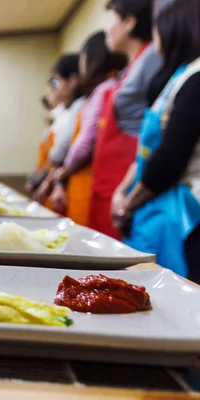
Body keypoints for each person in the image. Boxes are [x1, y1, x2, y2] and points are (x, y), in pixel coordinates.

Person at [112, 0, 200, 279]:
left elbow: (169, 159)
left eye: (157, 30)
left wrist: (129, 202)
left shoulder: (195, 79)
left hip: (185, 213)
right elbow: (146, 151)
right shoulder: (177, 78)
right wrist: (122, 191)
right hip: (154, 207)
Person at [89, 0, 162, 239]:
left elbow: (153, 129)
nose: (108, 29)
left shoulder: (151, 58)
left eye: (112, 19)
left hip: (126, 176)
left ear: (130, 22)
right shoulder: (129, 68)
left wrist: (127, 192)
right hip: (110, 180)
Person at [49, 32, 127, 225]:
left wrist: (62, 172)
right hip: (87, 182)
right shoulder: (108, 88)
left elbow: (85, 142)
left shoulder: (102, 91)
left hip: (87, 182)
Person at [33, 55, 86, 209]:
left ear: (73, 80)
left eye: (57, 82)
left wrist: (50, 180)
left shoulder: (76, 109)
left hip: (67, 180)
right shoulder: (65, 113)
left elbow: (60, 152)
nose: (53, 94)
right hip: (57, 179)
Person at [25, 91, 63, 195]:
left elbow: (53, 160)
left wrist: (42, 182)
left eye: (49, 109)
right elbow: (41, 162)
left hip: (51, 183)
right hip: (43, 183)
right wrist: (33, 178)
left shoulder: (61, 126)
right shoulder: (48, 130)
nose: (45, 113)